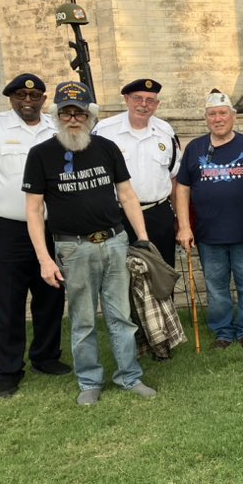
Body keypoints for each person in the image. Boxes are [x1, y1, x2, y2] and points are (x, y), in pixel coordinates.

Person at [22, 81, 156, 406]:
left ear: (89, 115)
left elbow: (126, 194)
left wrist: (143, 238)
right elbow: (34, 209)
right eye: (66, 112)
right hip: (73, 248)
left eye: (79, 112)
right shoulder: (41, 155)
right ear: (56, 115)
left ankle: (129, 376)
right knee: (83, 320)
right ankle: (89, 381)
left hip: (114, 242)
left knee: (121, 317)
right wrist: (44, 259)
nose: (73, 118)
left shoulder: (106, 148)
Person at [0, 73, 67, 399]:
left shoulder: (58, 128)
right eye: (21, 96)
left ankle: (46, 357)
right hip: (7, 229)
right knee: (8, 301)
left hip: (51, 228)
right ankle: (7, 371)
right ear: (11, 98)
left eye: (35, 97)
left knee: (51, 296)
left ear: (44, 100)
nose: (28, 102)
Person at [176, 90, 243, 349]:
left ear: (233, 116)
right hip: (208, 234)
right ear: (206, 118)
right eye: (212, 114)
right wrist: (184, 226)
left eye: (222, 113)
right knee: (216, 288)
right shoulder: (195, 148)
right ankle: (223, 332)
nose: (218, 118)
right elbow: (182, 188)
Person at [92, 78, 180, 267]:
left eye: (150, 100)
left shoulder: (166, 132)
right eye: (138, 98)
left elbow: (173, 178)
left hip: (158, 214)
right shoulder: (105, 131)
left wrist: (179, 220)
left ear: (157, 104)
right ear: (126, 99)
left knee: (161, 276)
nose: (143, 105)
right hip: (116, 216)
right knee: (117, 277)